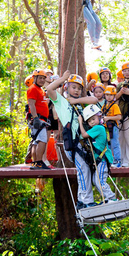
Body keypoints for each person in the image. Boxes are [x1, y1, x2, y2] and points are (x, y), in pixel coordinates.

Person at [45, 71, 115, 209]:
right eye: (73, 87)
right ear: (67, 88)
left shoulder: (80, 104)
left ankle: (85, 200)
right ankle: (86, 201)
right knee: (83, 170)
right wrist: (64, 78)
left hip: (83, 144)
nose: (76, 91)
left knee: (86, 171)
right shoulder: (61, 102)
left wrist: (76, 101)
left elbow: (94, 100)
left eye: (79, 88)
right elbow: (49, 89)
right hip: (73, 143)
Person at [78, 104, 117, 203]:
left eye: (93, 119)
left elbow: (83, 135)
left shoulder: (98, 128)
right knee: (96, 181)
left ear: (99, 117)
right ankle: (108, 198)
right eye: (89, 121)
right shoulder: (96, 128)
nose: (92, 122)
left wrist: (80, 123)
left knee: (100, 181)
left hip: (102, 159)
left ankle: (111, 197)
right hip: (100, 160)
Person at [27, 70, 51, 170]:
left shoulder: (40, 89)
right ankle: (39, 162)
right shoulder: (32, 89)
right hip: (38, 118)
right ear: (34, 78)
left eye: (43, 78)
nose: (42, 80)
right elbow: (31, 104)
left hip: (41, 118)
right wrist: (36, 118)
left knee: (36, 141)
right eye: (40, 78)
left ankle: (36, 163)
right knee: (42, 140)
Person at [102, 86, 122, 167]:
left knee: (115, 144)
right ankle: (110, 160)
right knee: (108, 144)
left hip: (113, 127)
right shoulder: (104, 106)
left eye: (110, 95)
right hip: (106, 127)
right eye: (107, 95)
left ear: (114, 96)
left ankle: (118, 161)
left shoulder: (114, 106)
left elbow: (119, 117)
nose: (108, 97)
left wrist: (108, 118)